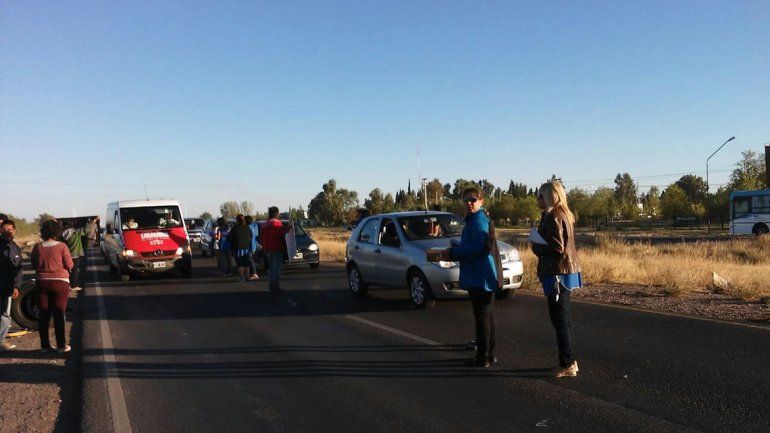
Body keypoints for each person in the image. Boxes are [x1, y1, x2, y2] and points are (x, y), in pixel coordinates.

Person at [532, 181, 583, 378]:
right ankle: (570, 360)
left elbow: (557, 247)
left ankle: (567, 363)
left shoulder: (553, 216)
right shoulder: (564, 214)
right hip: (565, 271)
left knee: (559, 319)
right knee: (564, 318)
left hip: (557, 273)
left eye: (540, 196)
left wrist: (536, 246)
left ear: (549, 197)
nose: (538, 199)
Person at [448, 187, 499, 368]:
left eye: (473, 200)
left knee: (482, 316)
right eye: (466, 200)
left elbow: (479, 247)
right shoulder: (476, 219)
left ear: (481, 201)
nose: (469, 203)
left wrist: (456, 252)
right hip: (481, 274)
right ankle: (489, 354)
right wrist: (460, 245)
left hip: (480, 274)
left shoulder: (478, 220)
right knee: (486, 314)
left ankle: (482, 357)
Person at [31, 219, 74, 353]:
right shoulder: (62, 246)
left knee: (44, 313)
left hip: (42, 282)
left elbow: (34, 265)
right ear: (57, 232)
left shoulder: (37, 247)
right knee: (59, 312)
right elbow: (70, 265)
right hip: (60, 282)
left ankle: (45, 346)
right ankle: (61, 345)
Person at [0, 220, 23, 351]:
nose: (7, 231)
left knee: (5, 315)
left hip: (8, 288)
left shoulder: (16, 248)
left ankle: (1, 341)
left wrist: (17, 286)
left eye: (10, 229)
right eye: (5, 228)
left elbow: (18, 270)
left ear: (14, 231)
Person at [260, 207, 292, 296]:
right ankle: (275, 287)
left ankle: (271, 286)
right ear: (277, 213)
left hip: (267, 249)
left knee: (271, 269)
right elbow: (280, 233)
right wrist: (288, 228)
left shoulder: (264, 224)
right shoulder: (276, 223)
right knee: (276, 269)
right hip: (276, 248)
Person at [229, 214, 256, 282]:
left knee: (240, 263)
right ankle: (247, 277)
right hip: (247, 248)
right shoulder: (247, 227)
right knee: (246, 263)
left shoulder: (235, 228)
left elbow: (230, 238)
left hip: (237, 249)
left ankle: (241, 277)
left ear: (237, 220)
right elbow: (251, 236)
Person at [61, 220, 86, 292]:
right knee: (75, 270)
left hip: (67, 254)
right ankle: (74, 285)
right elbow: (85, 231)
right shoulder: (77, 232)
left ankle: (67, 284)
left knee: (67, 270)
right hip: (75, 254)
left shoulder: (63, 233)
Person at [245, 215, 259, 280]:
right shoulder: (254, 226)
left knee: (250, 260)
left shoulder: (247, 227)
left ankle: (254, 273)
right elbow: (256, 235)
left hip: (249, 246)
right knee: (250, 259)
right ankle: (251, 273)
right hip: (254, 245)